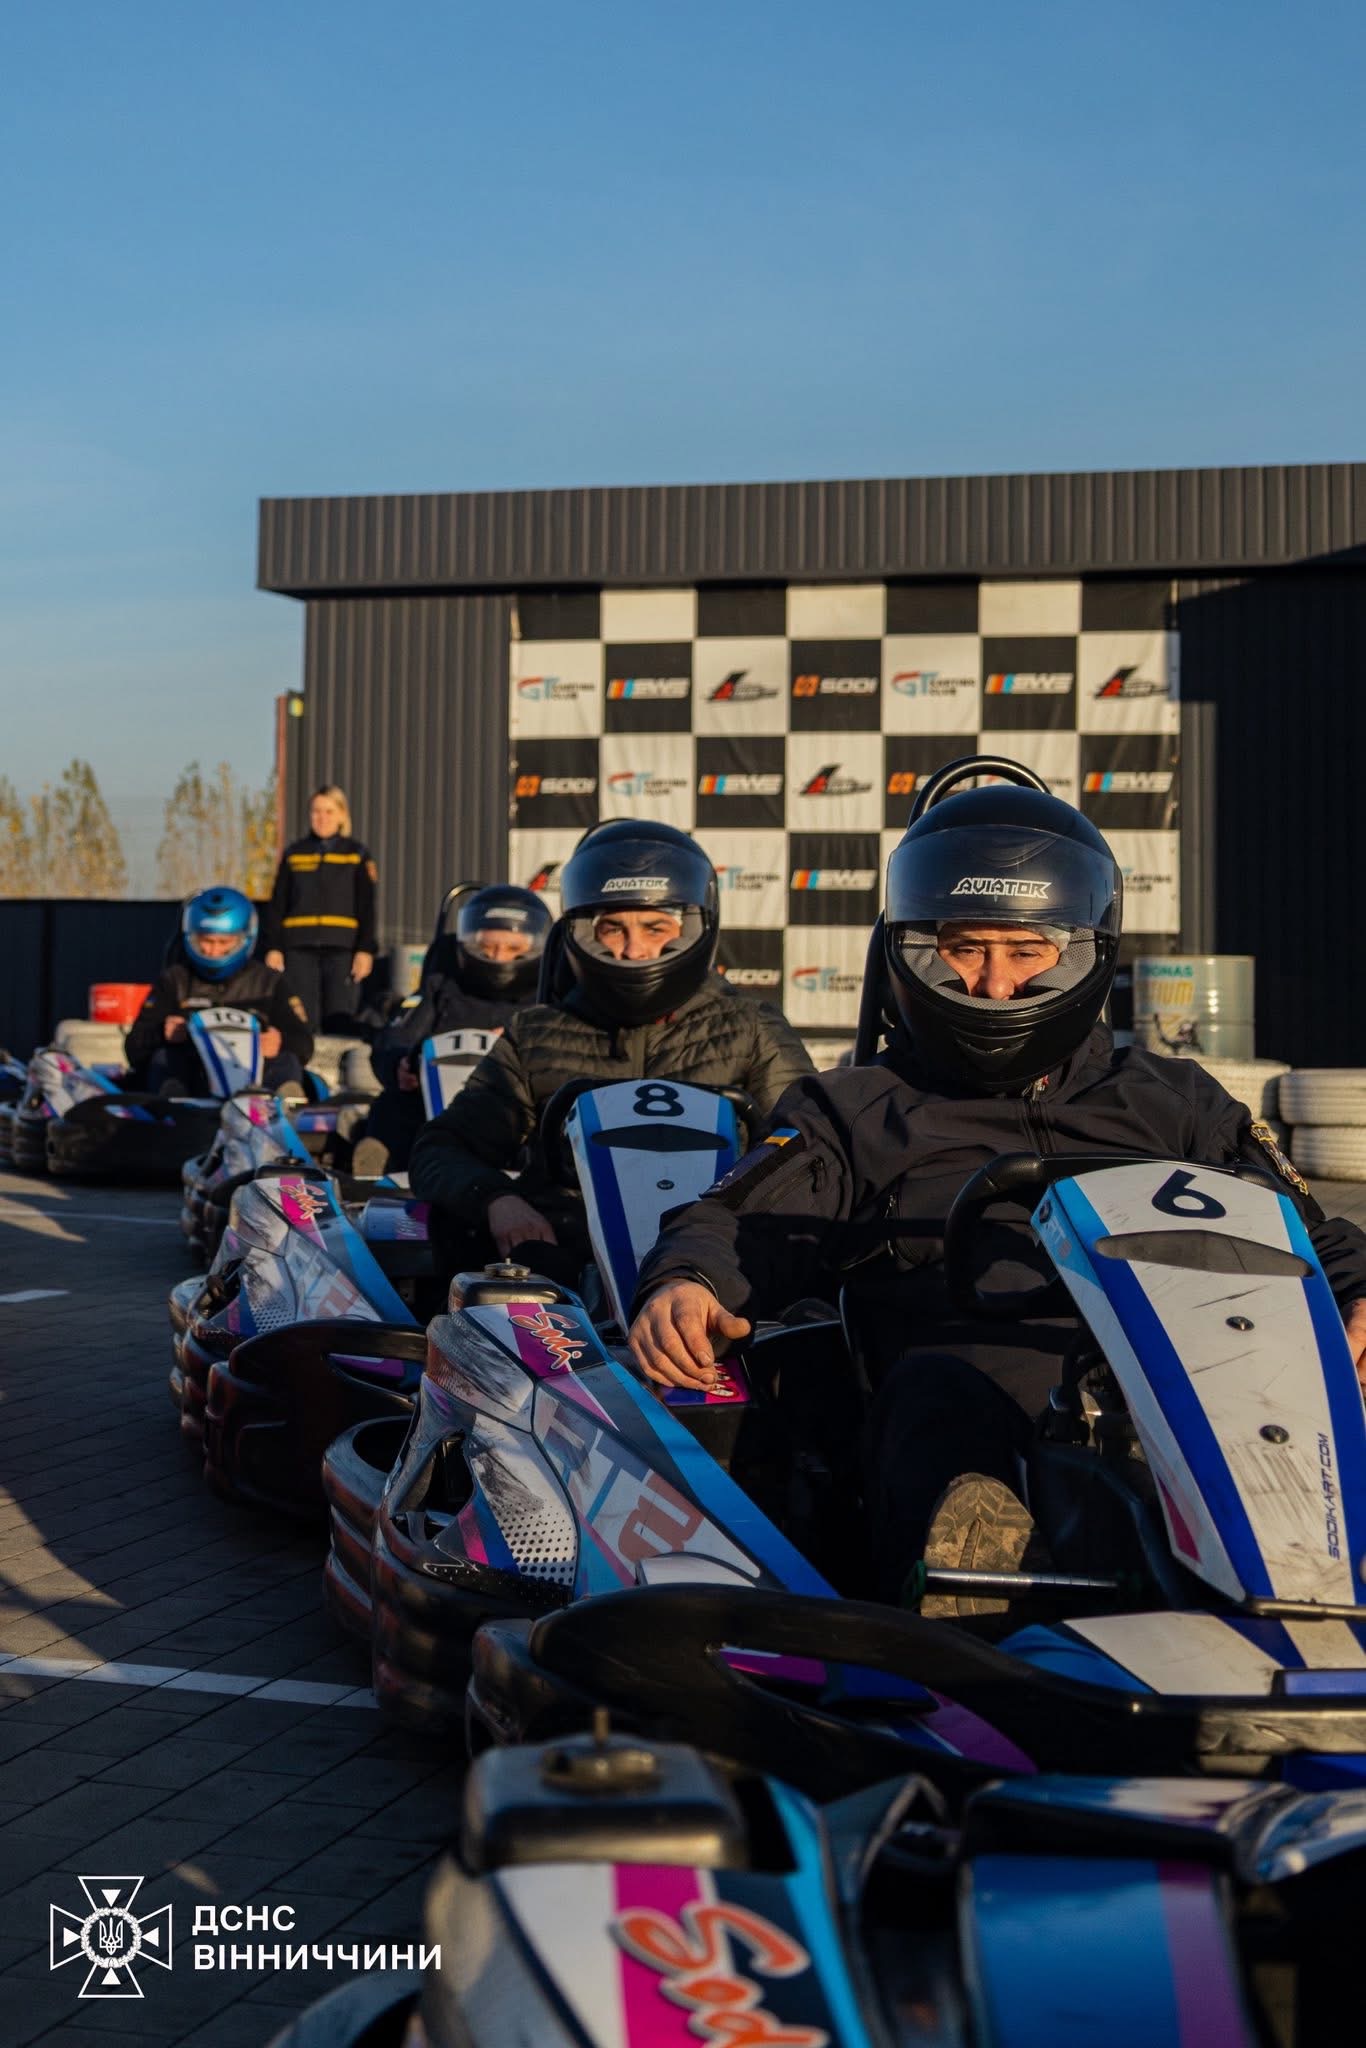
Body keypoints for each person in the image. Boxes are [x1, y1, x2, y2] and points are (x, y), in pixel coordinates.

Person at [628, 769, 1366, 1609]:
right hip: (965, 1403)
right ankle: (979, 1605)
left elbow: (1305, 1228)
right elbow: (734, 1218)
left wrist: (1362, 1288)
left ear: (1085, 949)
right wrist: (688, 1280)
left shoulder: (1174, 1097)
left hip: (1194, 1392)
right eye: (965, 949)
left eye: (1027, 951)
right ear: (912, 950)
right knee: (938, 1396)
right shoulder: (857, 1108)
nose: (994, 985)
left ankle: (1304, 1593)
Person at [408, 819, 815, 1283]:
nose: (635, 950)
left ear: (695, 928)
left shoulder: (751, 1027)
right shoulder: (537, 1034)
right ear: (583, 935)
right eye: (613, 929)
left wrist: (733, 1217)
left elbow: (810, 1151)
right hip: (569, 1267)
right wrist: (497, 1199)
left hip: (717, 1262)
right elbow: (439, 1147)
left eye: (657, 927)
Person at [352, 883, 552, 1176]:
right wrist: (399, 1066)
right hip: (431, 1114)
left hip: (512, 1114)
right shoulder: (443, 985)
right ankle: (382, 1168)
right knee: (390, 1107)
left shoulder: (548, 1002)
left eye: (513, 949)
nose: (497, 957)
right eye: (487, 947)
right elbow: (394, 1036)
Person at [125, 887, 314, 1094]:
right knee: (164, 1058)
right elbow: (134, 1046)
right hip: (194, 1085)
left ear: (244, 938)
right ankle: (173, 1103)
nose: (214, 951)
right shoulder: (174, 981)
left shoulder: (269, 983)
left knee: (287, 1061)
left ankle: (285, 1106)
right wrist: (163, 1033)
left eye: (223, 942)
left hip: (256, 1089)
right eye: (206, 941)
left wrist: (281, 1041)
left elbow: (305, 1043)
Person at [261, 785, 377, 1033]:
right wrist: (273, 947)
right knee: (301, 1020)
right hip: (299, 949)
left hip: (341, 949)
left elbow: (367, 908)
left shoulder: (355, 854)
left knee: (340, 1018)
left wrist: (365, 950)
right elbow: (277, 904)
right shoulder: (295, 854)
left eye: (329, 811)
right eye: (316, 811)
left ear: (342, 815)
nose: (322, 818)